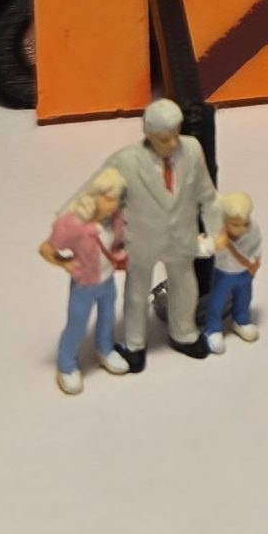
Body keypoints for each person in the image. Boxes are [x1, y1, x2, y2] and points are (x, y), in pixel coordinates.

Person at [94, 97, 221, 369]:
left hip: (182, 238)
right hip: (142, 239)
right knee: (137, 292)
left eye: (176, 133)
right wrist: (90, 235)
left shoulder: (192, 149)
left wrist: (216, 232)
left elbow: (207, 195)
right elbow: (97, 196)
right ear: (149, 133)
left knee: (185, 286)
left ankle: (184, 333)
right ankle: (134, 344)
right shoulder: (126, 161)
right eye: (165, 138)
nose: (173, 143)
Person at [41, 167, 133, 396]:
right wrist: (64, 263)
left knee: (107, 318)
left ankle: (105, 349)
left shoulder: (115, 219)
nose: (113, 205)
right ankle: (66, 364)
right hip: (84, 285)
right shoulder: (73, 225)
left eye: (115, 199)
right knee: (77, 326)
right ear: (95, 196)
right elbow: (46, 249)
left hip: (107, 282)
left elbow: (116, 244)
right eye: (108, 199)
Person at [201, 192, 263, 353]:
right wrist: (214, 245)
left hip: (244, 273)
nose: (241, 229)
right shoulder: (217, 231)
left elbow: (256, 247)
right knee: (217, 301)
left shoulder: (252, 229)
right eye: (235, 225)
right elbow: (205, 249)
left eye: (244, 223)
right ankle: (213, 329)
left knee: (244, 298)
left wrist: (255, 265)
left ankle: (241, 320)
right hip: (223, 274)